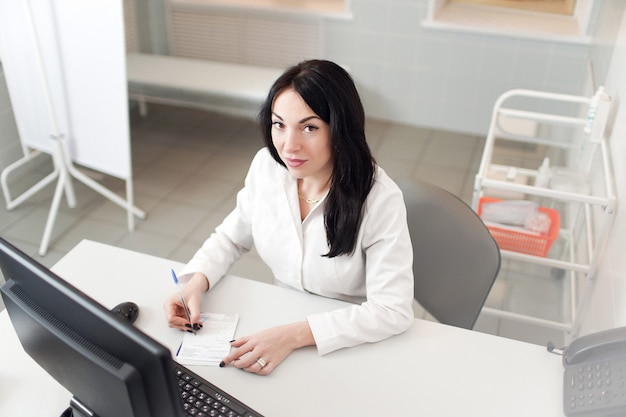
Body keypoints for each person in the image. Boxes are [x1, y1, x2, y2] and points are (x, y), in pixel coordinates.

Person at [164, 59, 414, 375]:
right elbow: (232, 236)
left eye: (309, 127)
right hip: (279, 318)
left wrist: (294, 335)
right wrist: (196, 281)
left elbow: (392, 310)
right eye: (279, 124)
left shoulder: (379, 199)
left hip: (347, 337)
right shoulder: (266, 167)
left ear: (340, 130)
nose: (288, 146)